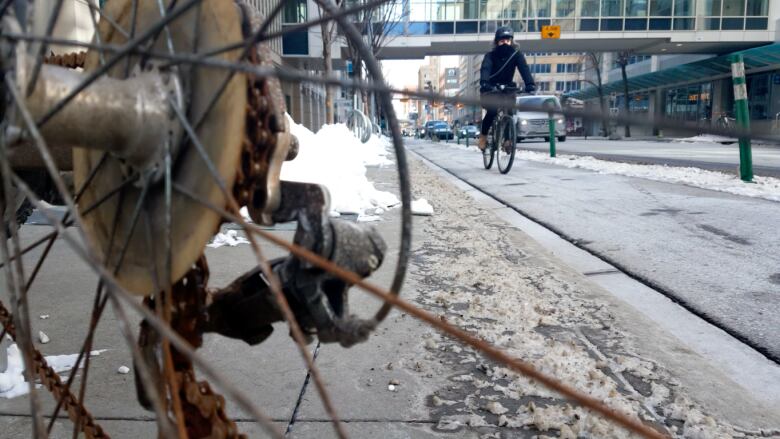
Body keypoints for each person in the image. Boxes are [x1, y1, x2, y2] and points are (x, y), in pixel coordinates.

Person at [478, 26, 536, 151]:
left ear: (511, 41)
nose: (505, 43)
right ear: (497, 42)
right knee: (492, 111)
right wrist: (484, 82)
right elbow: (485, 69)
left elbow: (524, 69)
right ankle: (483, 136)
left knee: (509, 111)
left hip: (507, 89)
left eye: (507, 40)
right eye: (502, 41)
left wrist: (530, 84)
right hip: (490, 88)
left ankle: (508, 140)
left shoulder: (516, 55)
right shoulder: (490, 56)